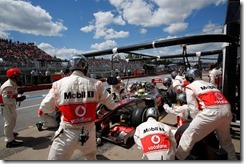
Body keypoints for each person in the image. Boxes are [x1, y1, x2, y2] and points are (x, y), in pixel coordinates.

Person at [38, 54, 117, 160]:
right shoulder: (97, 84)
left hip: (67, 133)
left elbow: (44, 107)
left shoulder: (58, 84)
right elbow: (112, 105)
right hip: (89, 132)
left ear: (70, 68)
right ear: (85, 68)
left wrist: (58, 107)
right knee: (90, 158)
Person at [176, 68, 237, 160]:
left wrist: (197, 124)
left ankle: (178, 158)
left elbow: (193, 109)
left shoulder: (190, 86)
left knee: (188, 136)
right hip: (227, 111)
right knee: (226, 142)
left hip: (211, 112)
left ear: (190, 78)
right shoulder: (210, 85)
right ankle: (233, 160)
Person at [0, 68, 26, 148]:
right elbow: (6, 100)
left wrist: (18, 93)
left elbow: (11, 95)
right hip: (7, 106)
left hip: (10, 105)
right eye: (19, 75)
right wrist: (18, 99)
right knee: (9, 122)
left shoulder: (13, 83)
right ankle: (9, 141)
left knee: (13, 120)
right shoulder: (8, 86)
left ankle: (10, 132)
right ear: (14, 76)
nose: (20, 77)